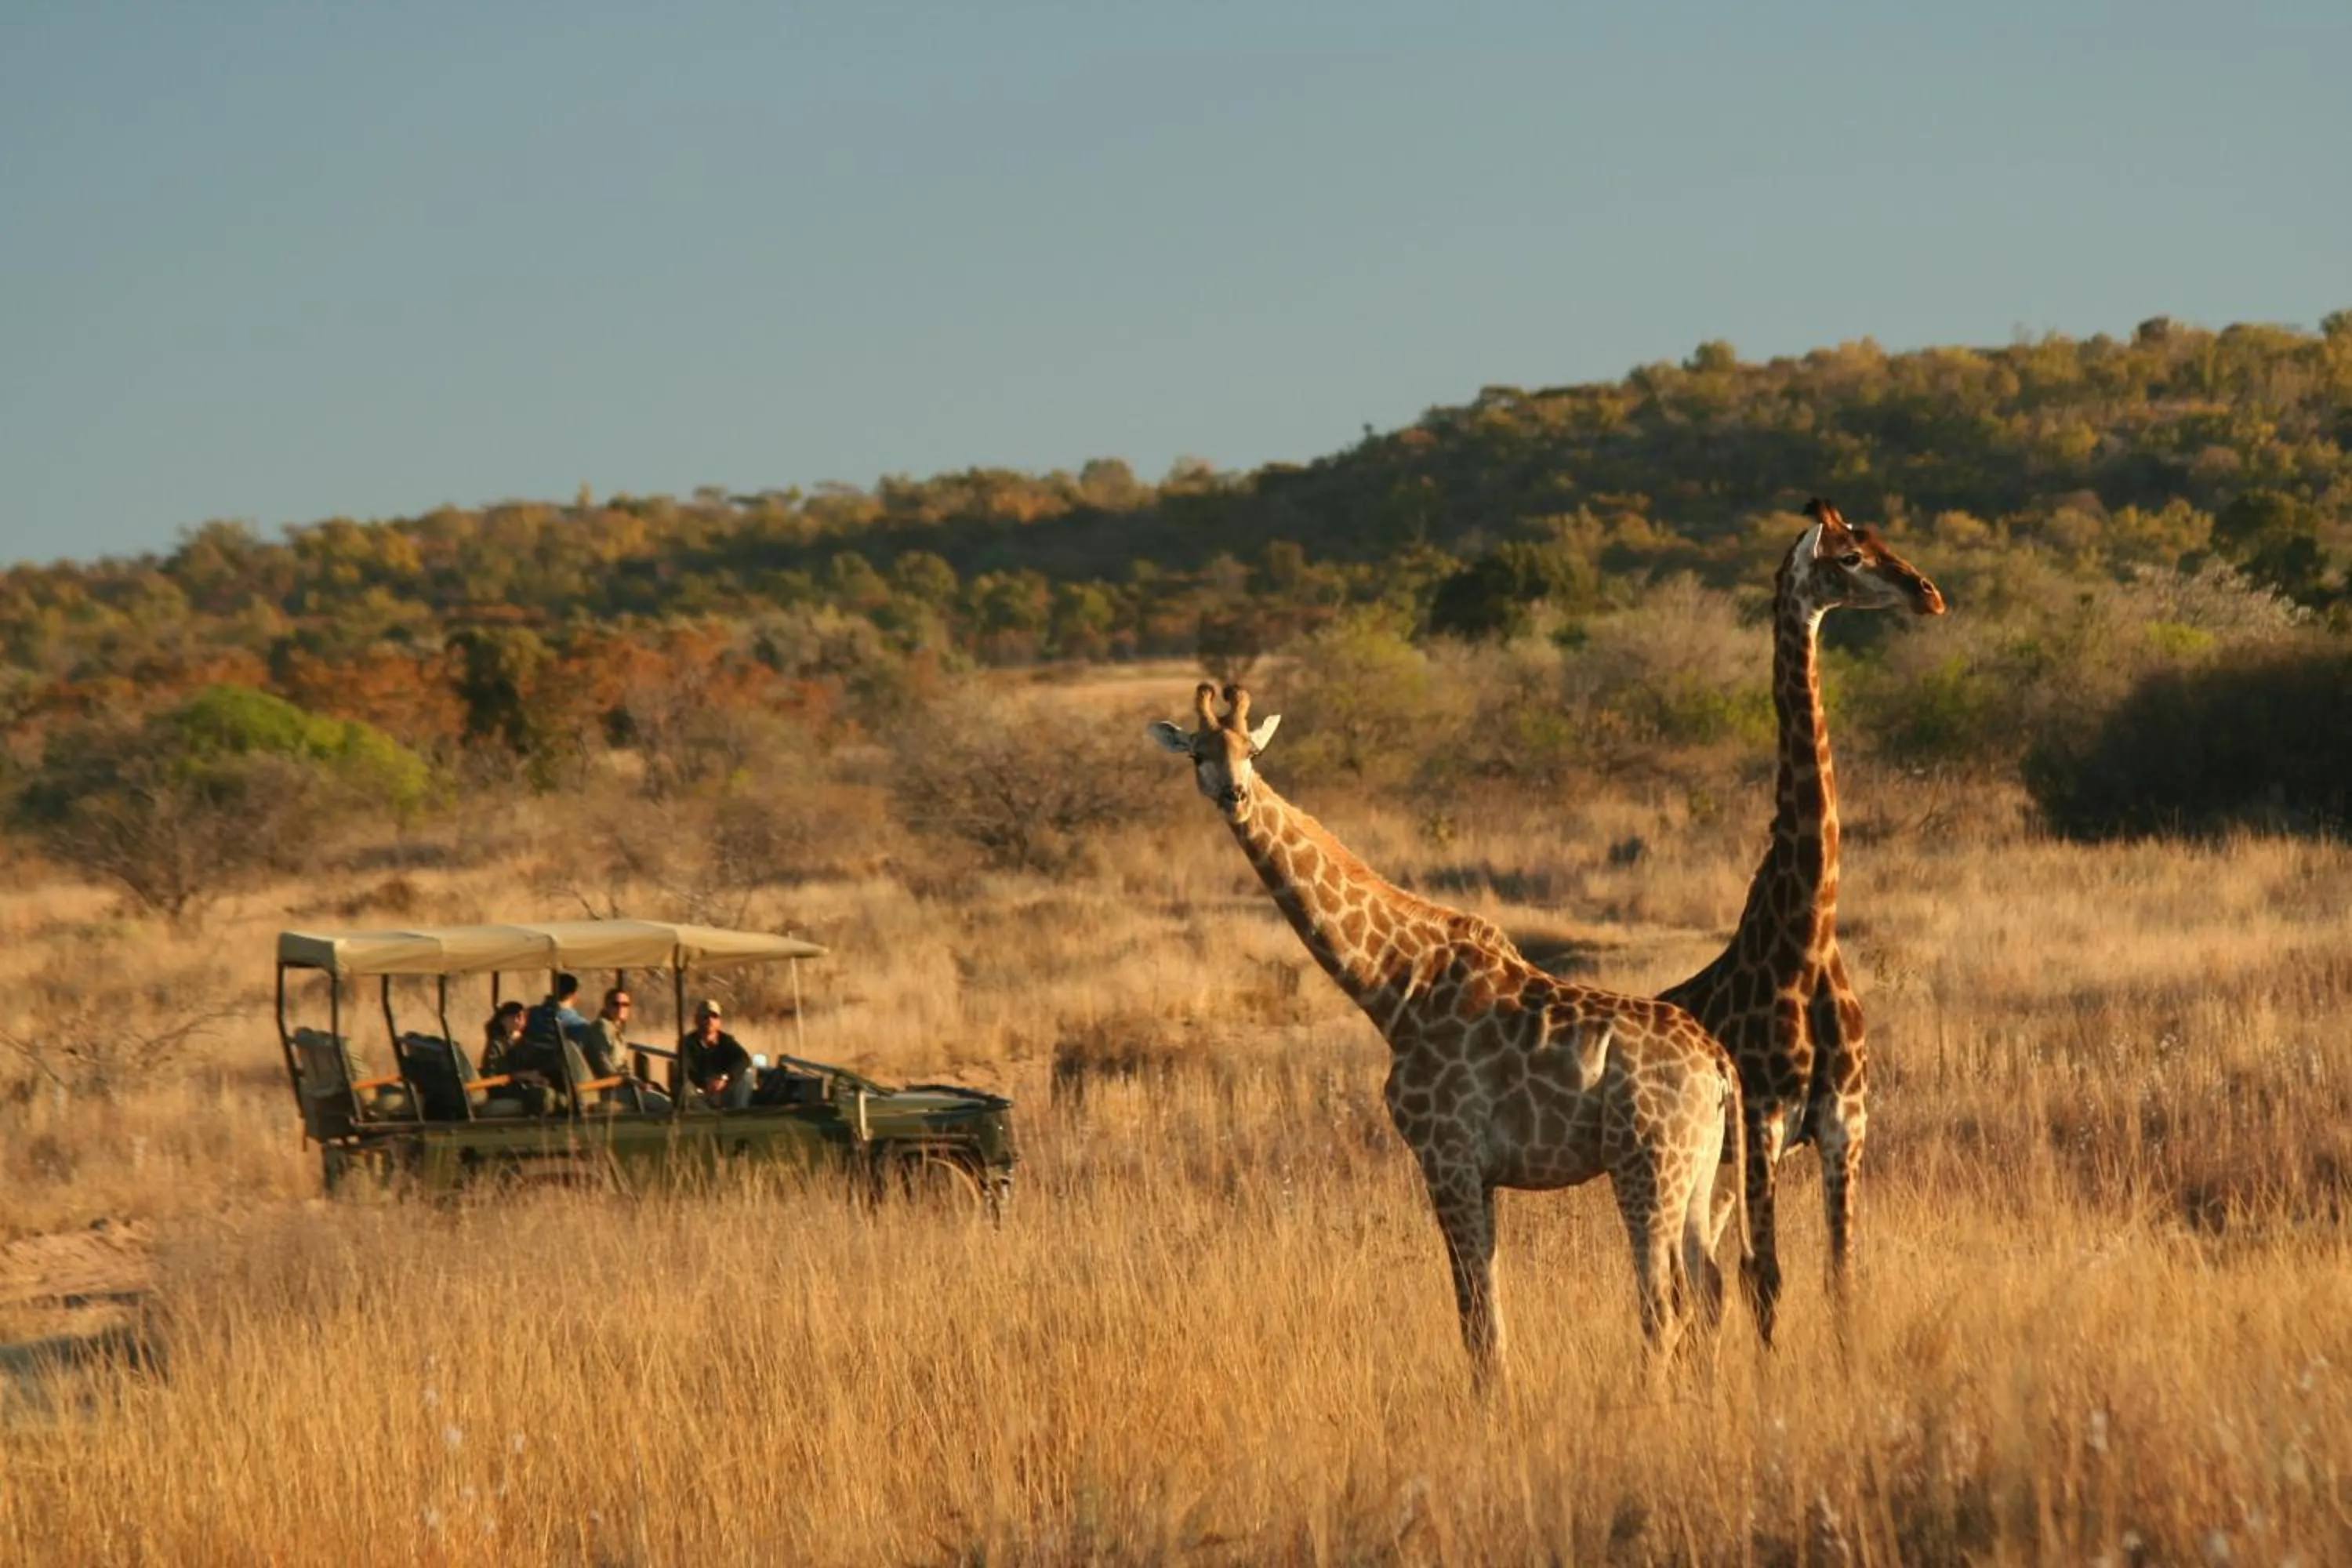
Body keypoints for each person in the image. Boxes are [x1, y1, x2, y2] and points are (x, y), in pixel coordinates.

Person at [680, 999, 753, 1110]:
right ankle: (706, 1119)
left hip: (724, 1091)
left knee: (747, 1075)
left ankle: (738, 1116)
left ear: (719, 1021)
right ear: (697, 1020)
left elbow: (744, 1059)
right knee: (686, 1088)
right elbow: (686, 1067)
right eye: (705, 1017)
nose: (710, 1020)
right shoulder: (688, 1043)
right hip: (700, 1093)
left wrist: (726, 1078)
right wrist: (707, 1083)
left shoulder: (726, 1041)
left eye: (714, 1016)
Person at [583, 986, 635, 1080]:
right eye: (616, 1004)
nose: (620, 1008)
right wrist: (625, 1079)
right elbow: (603, 1062)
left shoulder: (615, 1029)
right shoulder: (602, 1026)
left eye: (625, 1004)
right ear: (607, 1006)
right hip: (608, 1084)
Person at [480, 1000, 530, 1076]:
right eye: (513, 1017)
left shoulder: (527, 1040)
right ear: (503, 1020)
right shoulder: (496, 1044)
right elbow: (491, 1072)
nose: (517, 1021)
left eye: (520, 1016)